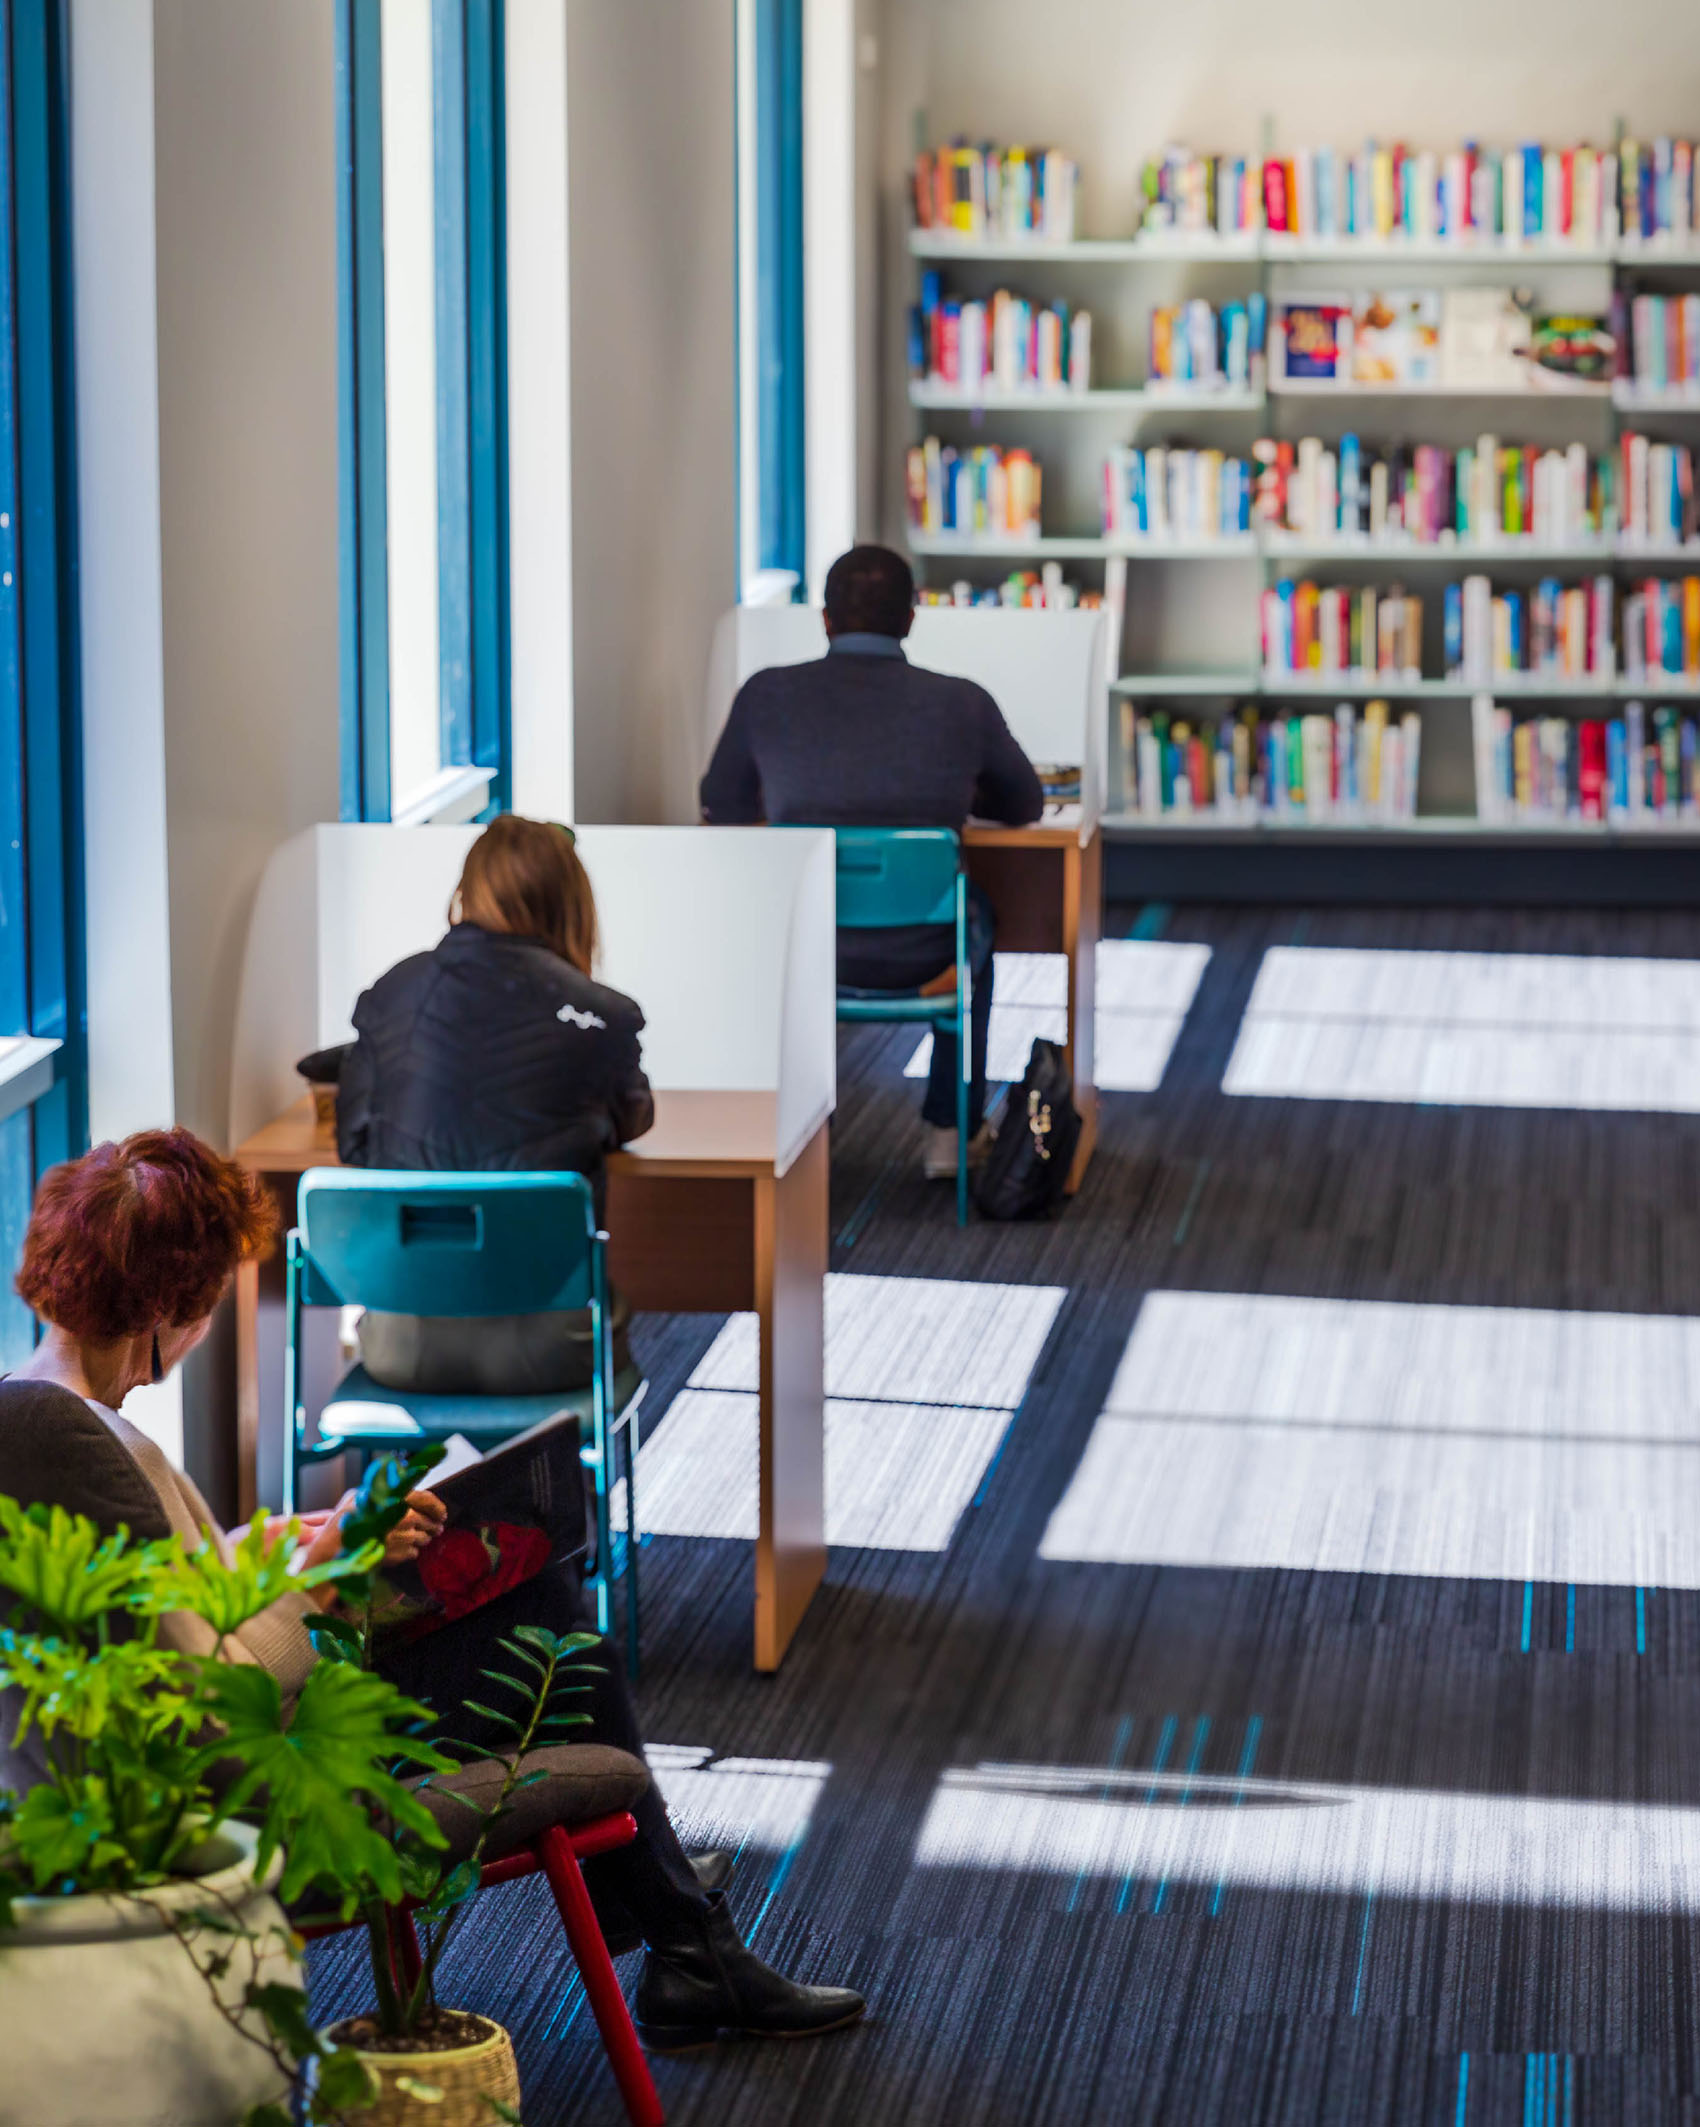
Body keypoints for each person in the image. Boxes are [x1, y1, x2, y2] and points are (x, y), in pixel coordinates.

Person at [0, 1128, 865, 2048]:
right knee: (557, 1634)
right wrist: (335, 1575)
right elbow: (217, 1694)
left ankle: (677, 1924)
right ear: (166, 1306)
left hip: (175, 1778)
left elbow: (170, 1609)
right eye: (208, 1299)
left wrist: (274, 1543)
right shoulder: (93, 1444)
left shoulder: (43, 1411)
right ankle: (687, 1940)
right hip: (264, 1788)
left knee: (537, 1604)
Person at [700, 544, 1044, 1177]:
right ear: (912, 619)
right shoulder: (961, 703)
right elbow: (1025, 804)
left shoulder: (767, 696)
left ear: (824, 620)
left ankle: (782, 1131)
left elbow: (719, 803)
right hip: (925, 950)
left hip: (806, 948)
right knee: (976, 924)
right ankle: (951, 1131)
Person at [335, 814, 650, 1400]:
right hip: (554, 1349)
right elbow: (630, 1117)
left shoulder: (388, 997)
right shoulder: (602, 1016)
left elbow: (353, 1144)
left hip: (401, 1348)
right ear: (571, 907)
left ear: (464, 895)